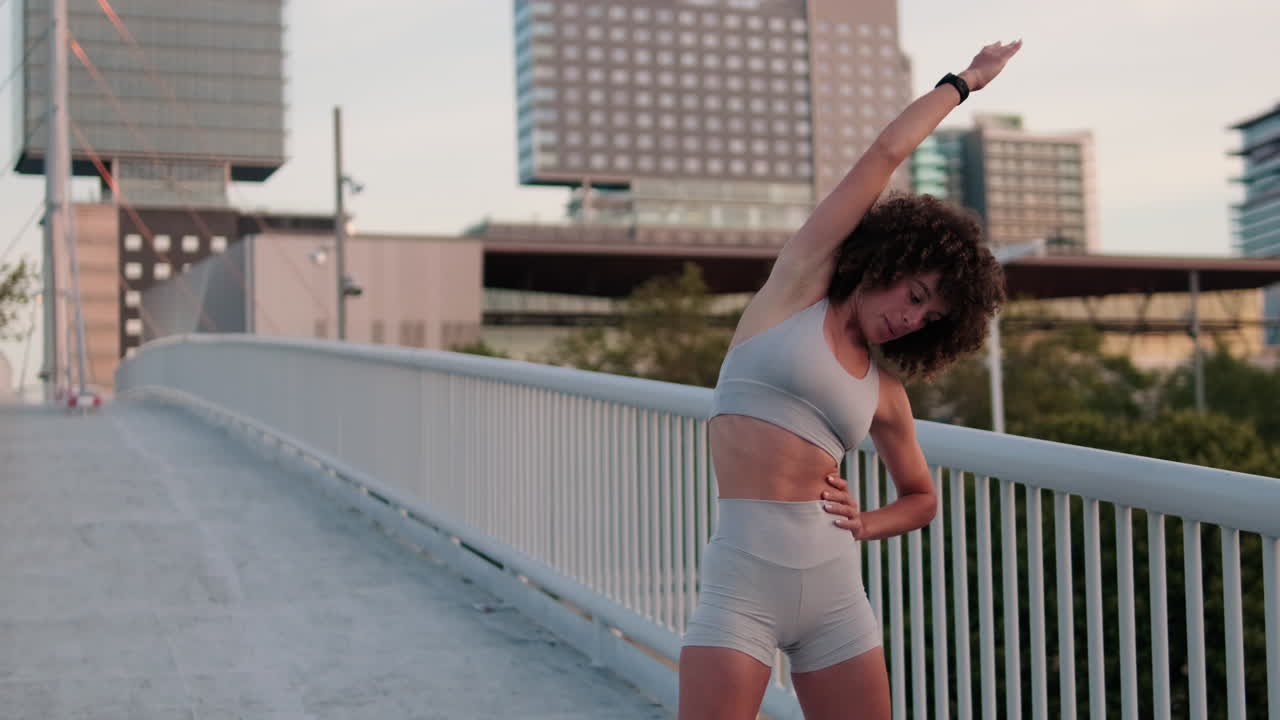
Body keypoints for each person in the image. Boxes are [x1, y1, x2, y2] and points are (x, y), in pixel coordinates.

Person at [679, 40, 1022, 719]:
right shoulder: (797, 288)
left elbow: (922, 497)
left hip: (837, 599)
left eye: (932, 314)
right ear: (891, 258)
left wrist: (865, 523)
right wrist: (964, 83)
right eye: (916, 292)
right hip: (743, 584)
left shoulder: (883, 393)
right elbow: (885, 156)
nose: (913, 317)